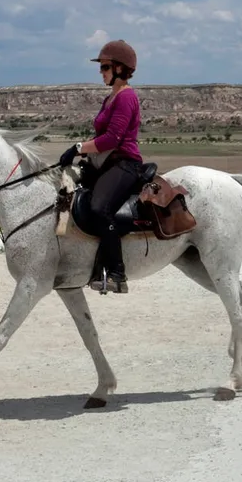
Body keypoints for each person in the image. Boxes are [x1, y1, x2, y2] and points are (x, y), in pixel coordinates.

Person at [58, 39, 144, 294]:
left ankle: (117, 272)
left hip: (125, 163)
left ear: (119, 69)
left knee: (98, 207)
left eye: (105, 67)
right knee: (65, 188)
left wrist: (78, 148)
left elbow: (113, 139)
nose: (101, 72)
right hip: (105, 162)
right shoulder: (111, 98)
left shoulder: (126, 97)